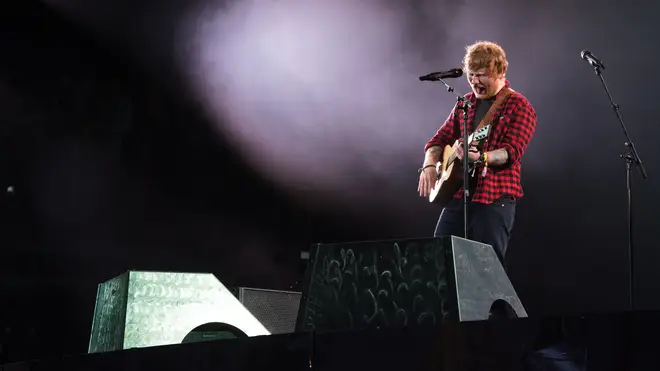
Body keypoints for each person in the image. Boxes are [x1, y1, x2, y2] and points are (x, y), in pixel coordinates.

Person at [417, 41, 537, 269]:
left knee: (487, 271)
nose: (474, 81)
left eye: (481, 75)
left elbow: (511, 153)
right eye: (471, 75)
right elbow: (438, 140)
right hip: (459, 196)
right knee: (439, 260)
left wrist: (480, 158)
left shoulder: (519, 107)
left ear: (501, 72)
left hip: (493, 200)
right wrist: (430, 165)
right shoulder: (466, 104)